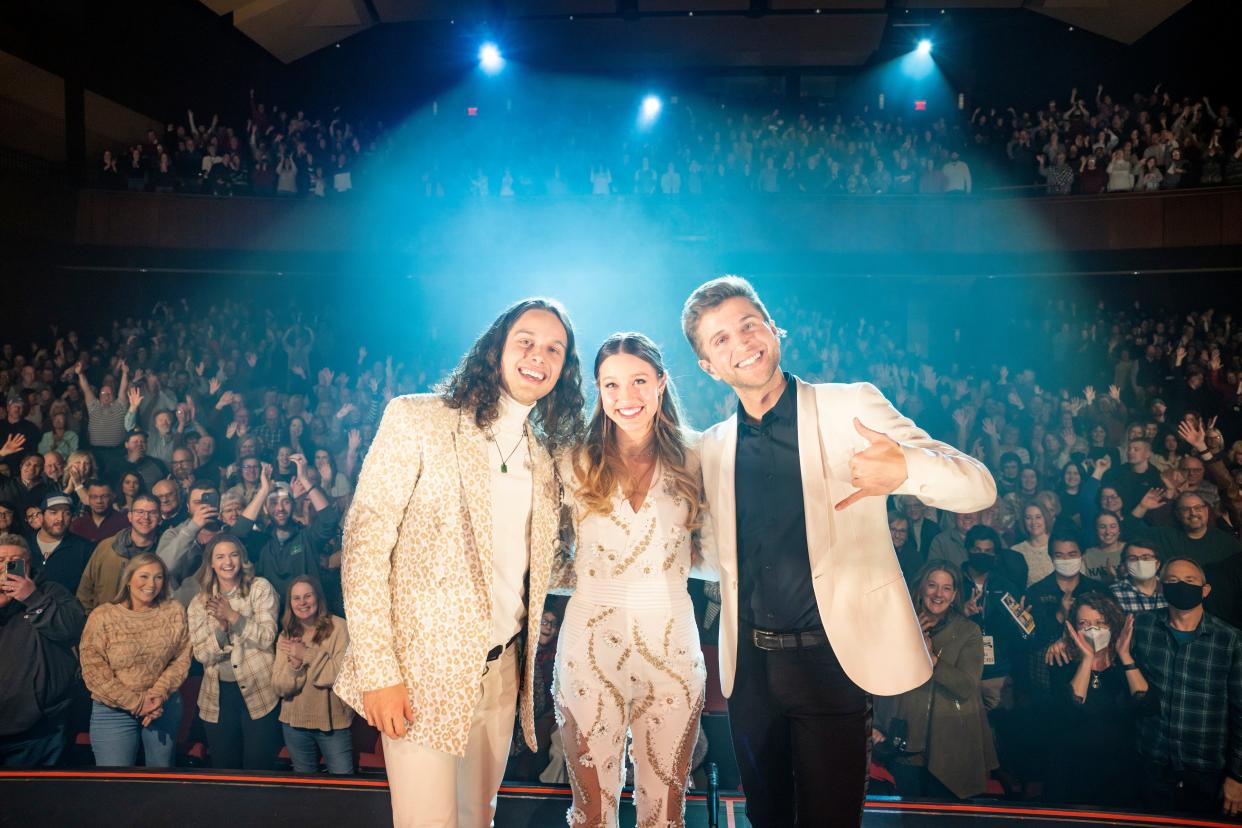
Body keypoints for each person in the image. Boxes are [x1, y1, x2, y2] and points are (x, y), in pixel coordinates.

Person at [681, 276, 996, 827]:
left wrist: (906, 469)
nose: (742, 342)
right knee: (768, 818)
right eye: (721, 339)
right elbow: (714, 556)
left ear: (774, 328)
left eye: (749, 324)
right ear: (709, 365)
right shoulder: (710, 447)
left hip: (833, 658)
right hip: (751, 670)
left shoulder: (851, 405)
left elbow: (979, 486)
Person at [334, 298, 585, 828]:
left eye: (553, 349)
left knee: (478, 819)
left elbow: (542, 566)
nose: (537, 355)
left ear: (563, 369)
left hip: (501, 672)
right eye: (526, 341)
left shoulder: (546, 454)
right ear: (496, 348)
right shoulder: (418, 417)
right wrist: (380, 672)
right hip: (419, 675)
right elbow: (364, 548)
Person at [553, 333, 715, 827]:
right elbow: (549, 555)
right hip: (588, 644)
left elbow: (713, 551)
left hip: (672, 644)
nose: (627, 396)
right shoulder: (571, 459)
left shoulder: (698, 455)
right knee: (591, 811)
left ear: (661, 384)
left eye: (639, 381)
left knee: (663, 811)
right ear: (598, 391)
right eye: (612, 384)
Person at [874, 561, 997, 799]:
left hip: (950, 745)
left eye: (946, 588)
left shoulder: (968, 631)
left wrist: (931, 659)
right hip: (904, 742)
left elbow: (966, 687)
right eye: (932, 585)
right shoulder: (897, 626)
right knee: (907, 818)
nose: (938, 594)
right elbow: (882, 678)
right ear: (921, 588)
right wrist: (877, 726)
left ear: (955, 595)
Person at [1130, 558, 1242, 817]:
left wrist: (1237, 776)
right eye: (1172, 581)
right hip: (1152, 760)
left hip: (1205, 769)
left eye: (1190, 581)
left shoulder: (1230, 640)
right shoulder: (1142, 626)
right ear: (1160, 587)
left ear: (1205, 590)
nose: (1181, 586)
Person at [78, 553, 190, 767]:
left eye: (158, 577)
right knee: (116, 783)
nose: (151, 584)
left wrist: (157, 695)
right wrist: (137, 704)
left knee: (161, 783)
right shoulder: (103, 615)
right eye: (144, 576)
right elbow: (93, 670)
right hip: (113, 710)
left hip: (162, 706)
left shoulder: (174, 610)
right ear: (128, 579)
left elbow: (182, 657)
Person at [188, 533, 282, 770]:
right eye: (220, 557)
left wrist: (233, 617)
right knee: (224, 768)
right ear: (211, 562)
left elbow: (267, 637)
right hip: (218, 697)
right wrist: (221, 630)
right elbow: (201, 654)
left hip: (259, 690)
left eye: (233, 555)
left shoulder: (259, 588)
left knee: (258, 767)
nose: (227, 562)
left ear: (242, 558)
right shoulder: (200, 602)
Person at [1045, 593, 1147, 807]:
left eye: (1100, 623)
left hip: (1120, 769)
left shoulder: (1128, 661)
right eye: (1084, 623)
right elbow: (1068, 711)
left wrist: (1125, 656)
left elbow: (1146, 704)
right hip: (1071, 769)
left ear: (1113, 625)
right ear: (1073, 628)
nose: (1093, 629)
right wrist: (1086, 660)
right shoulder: (1061, 660)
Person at [0, 533, 86, 766]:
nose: (6, 567)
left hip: (41, 727)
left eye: (15, 561)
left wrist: (32, 598)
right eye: (1, 560)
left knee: (39, 799)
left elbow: (72, 628)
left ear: (28, 565)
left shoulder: (51, 591)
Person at [272, 575, 353, 775]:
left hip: (333, 723)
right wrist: (295, 665)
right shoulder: (286, 635)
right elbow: (279, 687)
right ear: (290, 604)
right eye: (296, 598)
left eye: (308, 596)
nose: (302, 603)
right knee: (305, 790)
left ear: (318, 598)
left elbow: (338, 675)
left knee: (344, 786)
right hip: (294, 724)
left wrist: (304, 654)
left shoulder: (339, 627)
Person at [77, 493, 161, 614]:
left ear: (159, 518)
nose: (146, 517)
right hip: (105, 623)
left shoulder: (164, 552)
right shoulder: (106, 547)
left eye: (152, 512)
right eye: (140, 512)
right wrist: (90, 618)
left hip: (146, 625)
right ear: (130, 516)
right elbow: (85, 589)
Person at [29, 493, 94, 595]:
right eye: (53, 512)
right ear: (41, 516)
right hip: (26, 609)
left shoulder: (84, 548)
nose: (60, 518)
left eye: (66, 513)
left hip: (66, 609)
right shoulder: (24, 544)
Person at [69, 479, 130, 543]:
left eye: (104, 496)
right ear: (88, 498)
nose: (99, 501)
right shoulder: (77, 525)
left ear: (113, 496)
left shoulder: (124, 523)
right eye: (94, 497)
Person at [1012, 502, 1054, 587]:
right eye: (1028, 518)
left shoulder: (1059, 545)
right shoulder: (1016, 551)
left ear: (1045, 518)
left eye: (1038, 517)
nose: (1033, 522)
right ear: (1024, 521)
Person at [1082, 511, 1125, 583]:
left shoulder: (1129, 550)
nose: (1108, 532)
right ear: (1096, 530)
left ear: (1119, 529)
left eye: (1113, 526)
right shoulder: (1087, 555)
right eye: (1102, 527)